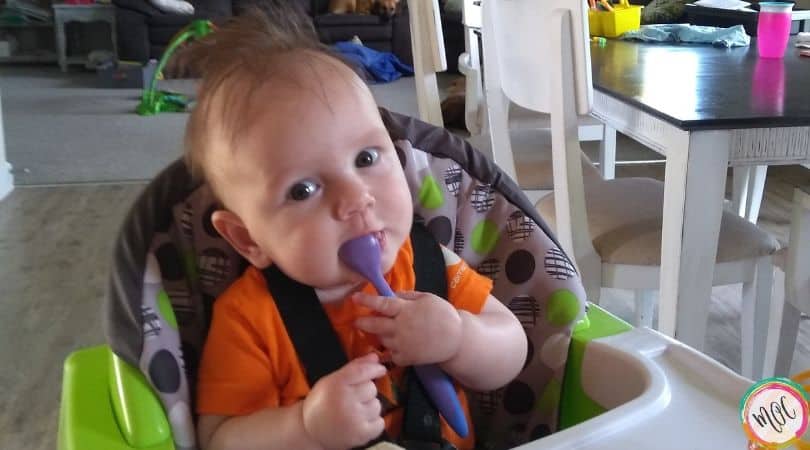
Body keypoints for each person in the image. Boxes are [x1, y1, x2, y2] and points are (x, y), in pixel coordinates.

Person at [186, 4, 528, 450]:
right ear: (248, 239)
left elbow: (514, 353)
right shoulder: (248, 318)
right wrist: (305, 429)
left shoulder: (427, 266)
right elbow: (220, 440)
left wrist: (458, 337)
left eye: (366, 159)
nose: (354, 200)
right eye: (303, 190)